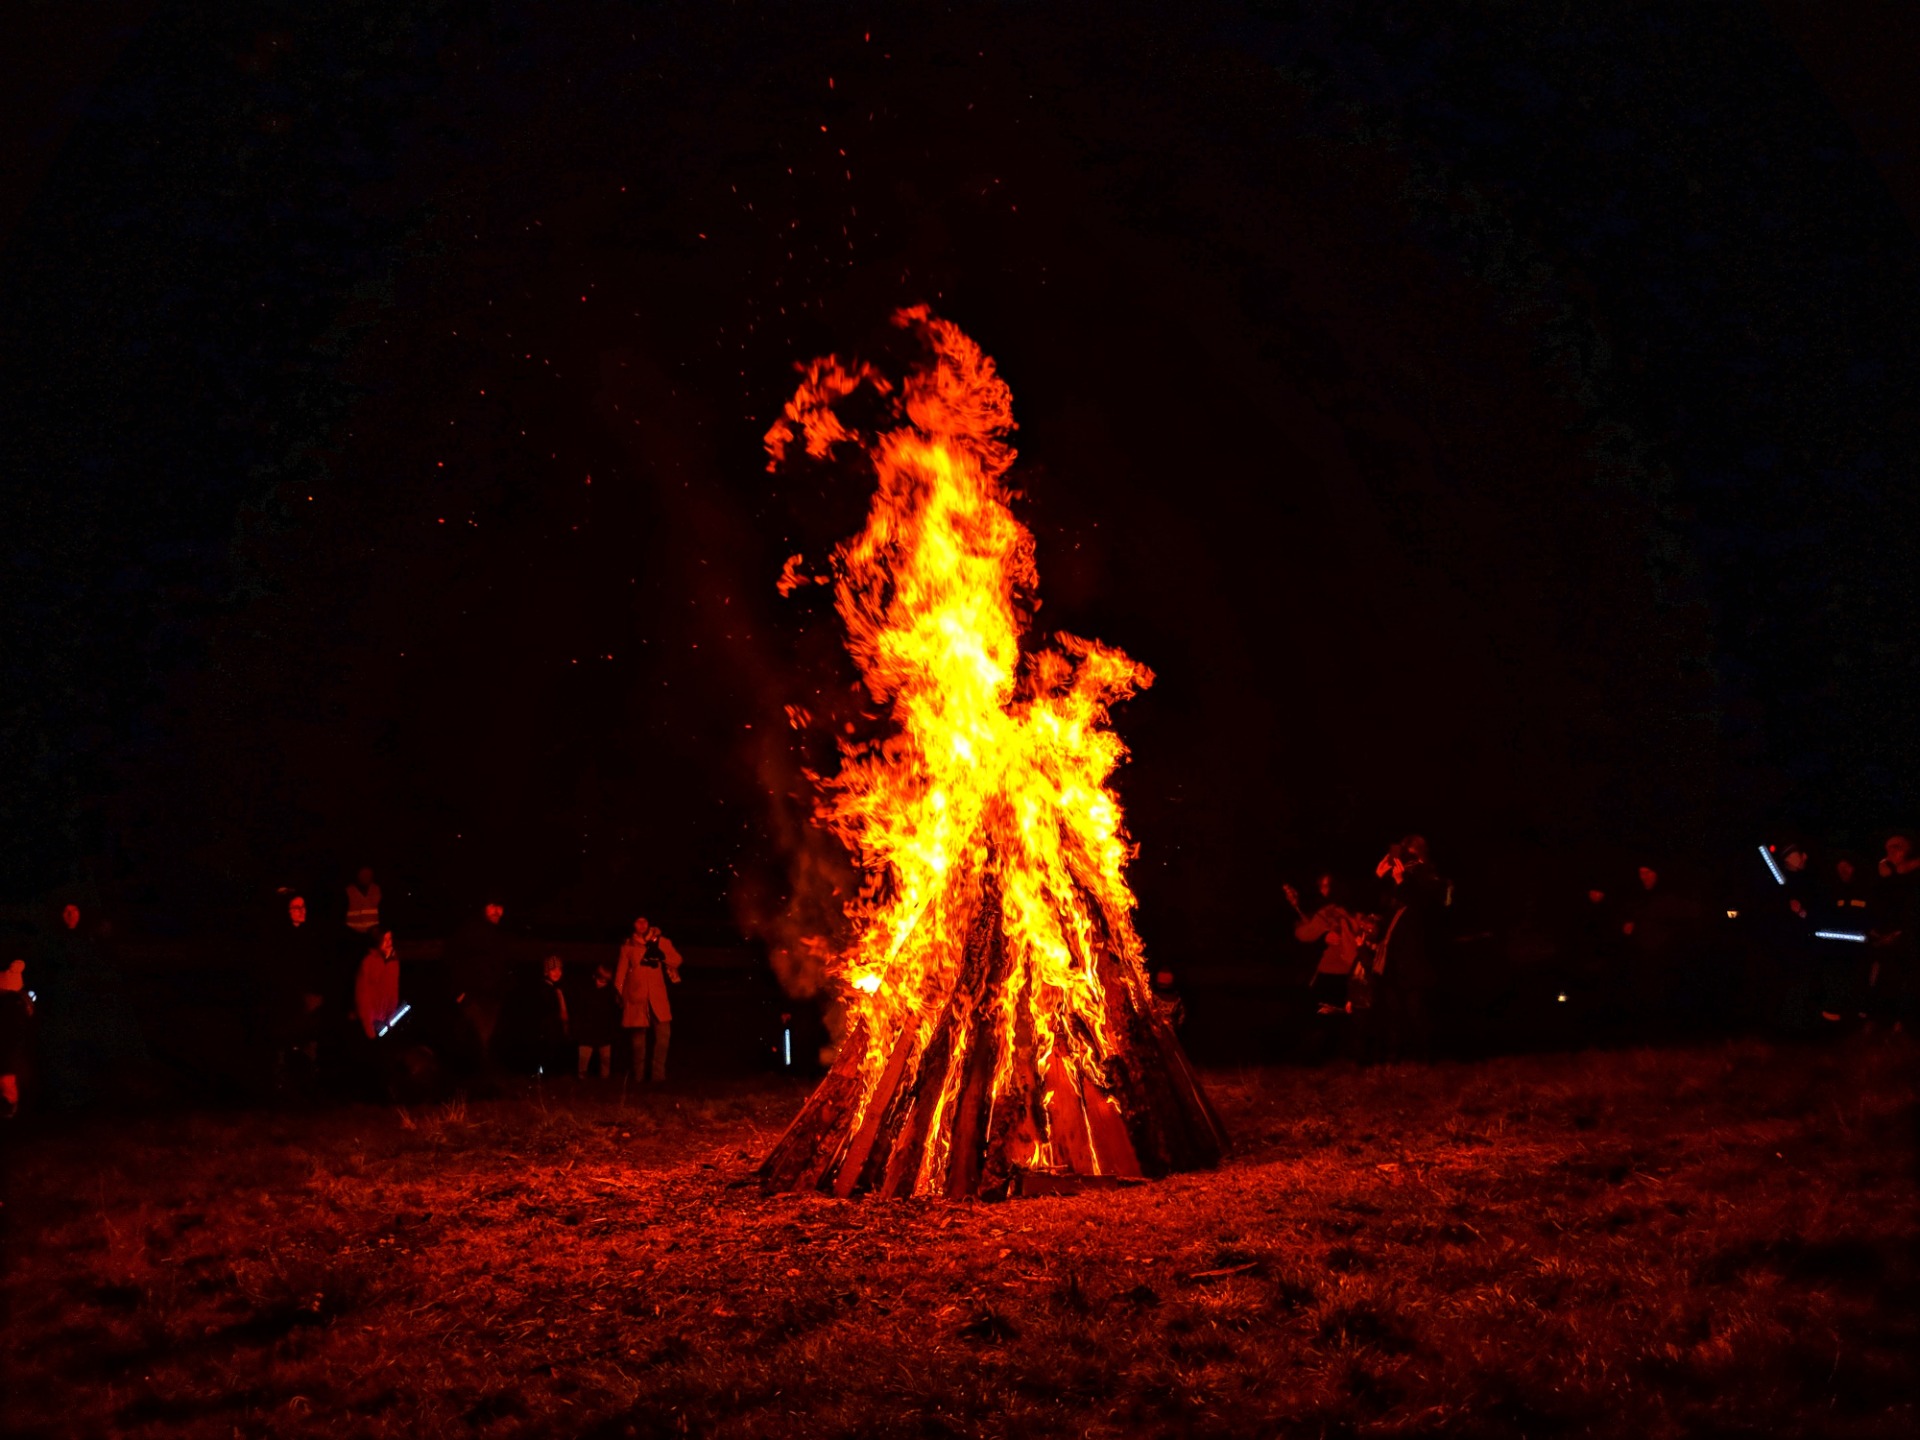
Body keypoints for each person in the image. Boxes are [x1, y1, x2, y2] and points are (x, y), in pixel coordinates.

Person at [616, 916, 682, 1082]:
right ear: (633, 924)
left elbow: (677, 960)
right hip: (636, 998)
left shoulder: (661, 941)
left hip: (657, 998)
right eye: (638, 921)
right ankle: (638, 1077)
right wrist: (619, 993)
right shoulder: (628, 946)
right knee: (638, 1043)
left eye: (644, 921)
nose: (642, 924)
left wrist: (662, 956)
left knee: (663, 1036)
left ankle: (657, 1076)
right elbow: (621, 973)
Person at [274, 893, 329, 1091]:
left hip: (309, 998)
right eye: (296, 908)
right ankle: (283, 1081)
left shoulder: (310, 936)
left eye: (303, 907)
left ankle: (308, 1081)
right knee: (286, 1039)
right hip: (289, 1000)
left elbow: (316, 967)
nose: (301, 911)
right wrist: (297, 995)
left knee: (309, 1039)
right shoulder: (281, 939)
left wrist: (317, 993)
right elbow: (282, 972)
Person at [570, 961, 621, 1079]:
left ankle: (605, 1078)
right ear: (594, 976)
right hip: (587, 1029)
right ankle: (581, 1076)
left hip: (604, 1029)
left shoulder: (610, 992)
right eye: (600, 980)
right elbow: (580, 1009)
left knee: (605, 1057)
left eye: (605, 981)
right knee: (584, 1056)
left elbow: (615, 1009)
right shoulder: (586, 990)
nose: (602, 983)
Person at [354, 930, 401, 1040]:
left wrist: (391, 1015)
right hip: (368, 1024)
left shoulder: (394, 962)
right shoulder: (368, 962)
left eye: (390, 939)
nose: (388, 942)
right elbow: (361, 994)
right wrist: (368, 1026)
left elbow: (393, 990)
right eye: (384, 939)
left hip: (384, 1023)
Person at [0, 958, 32, 1118]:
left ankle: (9, 1105)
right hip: (13, 1047)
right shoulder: (21, 1001)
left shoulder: (11, 1003)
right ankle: (10, 1105)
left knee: (7, 1074)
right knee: (8, 1074)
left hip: (10, 1046)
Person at [532, 955, 571, 1077]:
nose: (557, 973)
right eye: (553, 970)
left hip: (556, 1027)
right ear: (546, 971)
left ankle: (555, 1073)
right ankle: (545, 1074)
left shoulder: (559, 988)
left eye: (559, 970)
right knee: (547, 1050)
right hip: (547, 1027)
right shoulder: (544, 989)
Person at [345, 867, 382, 941]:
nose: (366, 877)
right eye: (363, 874)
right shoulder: (348, 891)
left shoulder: (377, 890)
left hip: (373, 934)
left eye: (368, 875)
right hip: (352, 934)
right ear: (357, 875)